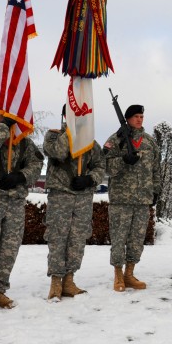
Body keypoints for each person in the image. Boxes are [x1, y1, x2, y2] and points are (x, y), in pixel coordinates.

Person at [0, 114, 44, 311]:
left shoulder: (25, 143)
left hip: (14, 202)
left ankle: (0, 290)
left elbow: (37, 165)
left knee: (9, 249)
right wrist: (4, 127)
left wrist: (21, 176)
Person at [42, 112, 106, 301]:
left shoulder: (91, 143)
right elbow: (58, 153)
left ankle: (69, 280)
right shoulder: (53, 136)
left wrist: (89, 179)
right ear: (65, 116)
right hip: (61, 194)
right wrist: (70, 131)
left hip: (83, 197)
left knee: (78, 238)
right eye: (72, 114)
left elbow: (100, 166)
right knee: (57, 237)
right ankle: (56, 281)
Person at [103, 104, 160, 292]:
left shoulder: (149, 142)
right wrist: (123, 160)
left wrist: (156, 190)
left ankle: (130, 273)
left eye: (141, 116)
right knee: (119, 238)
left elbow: (156, 169)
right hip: (121, 199)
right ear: (127, 118)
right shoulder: (116, 140)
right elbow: (105, 167)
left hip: (142, 200)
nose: (139, 119)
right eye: (135, 116)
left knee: (137, 239)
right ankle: (118, 275)